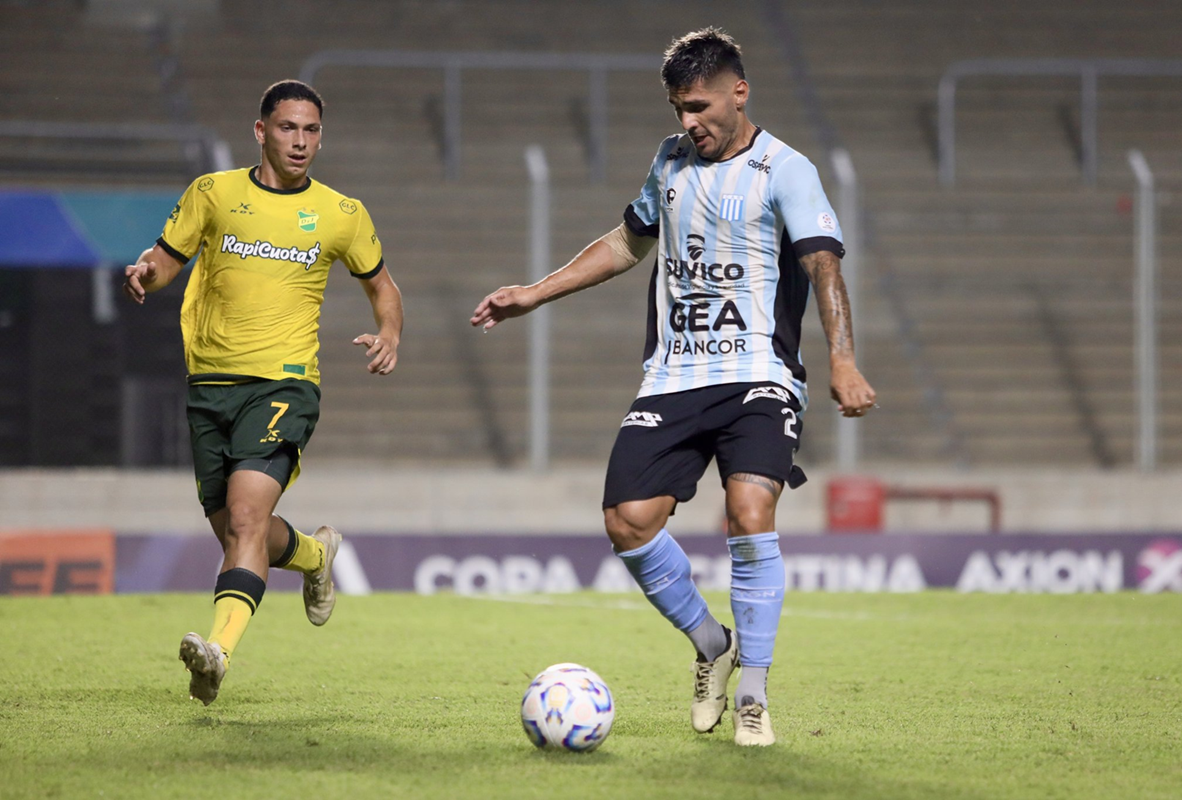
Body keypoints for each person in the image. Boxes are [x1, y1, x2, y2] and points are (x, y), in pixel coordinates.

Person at [471, 28, 875, 746]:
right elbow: (627, 242)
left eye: (698, 107)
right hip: (676, 375)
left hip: (757, 373)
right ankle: (712, 645)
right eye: (678, 109)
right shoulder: (670, 161)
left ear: (738, 93)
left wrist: (842, 359)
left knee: (749, 511)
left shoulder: (786, 170)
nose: (688, 122)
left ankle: (753, 694)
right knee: (627, 520)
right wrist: (535, 292)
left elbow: (824, 268)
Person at [124, 80, 403, 706]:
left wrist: (389, 333)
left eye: (311, 130)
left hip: (284, 383)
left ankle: (217, 654)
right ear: (260, 131)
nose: (300, 141)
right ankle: (313, 555)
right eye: (287, 128)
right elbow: (166, 257)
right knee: (236, 531)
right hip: (208, 384)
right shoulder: (214, 193)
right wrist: (146, 272)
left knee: (247, 518)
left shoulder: (341, 213)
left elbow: (384, 287)